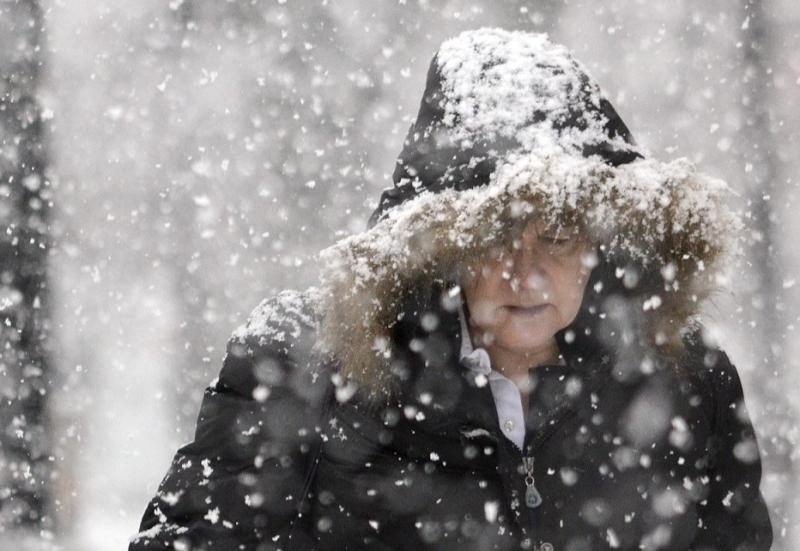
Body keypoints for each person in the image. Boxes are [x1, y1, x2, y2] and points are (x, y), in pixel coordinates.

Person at [128, 28, 773, 551]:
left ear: (601, 242)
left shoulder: (688, 381)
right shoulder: (305, 368)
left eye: (557, 234)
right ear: (443, 251)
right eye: (494, 239)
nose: (527, 272)